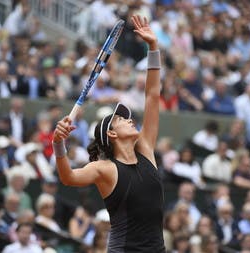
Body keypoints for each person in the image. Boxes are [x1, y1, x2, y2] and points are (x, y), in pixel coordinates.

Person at [52, 15, 165, 252]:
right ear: (111, 135)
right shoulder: (105, 169)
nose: (130, 119)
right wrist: (58, 145)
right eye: (121, 119)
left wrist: (153, 48)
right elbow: (69, 178)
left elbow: (152, 95)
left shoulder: (145, 150)